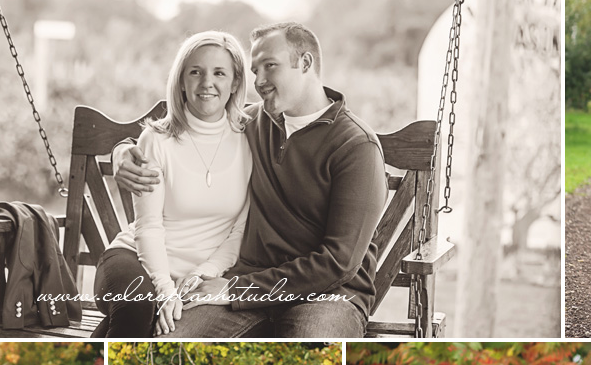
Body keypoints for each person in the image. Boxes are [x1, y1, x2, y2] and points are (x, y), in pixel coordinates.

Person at [113, 21, 388, 340]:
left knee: (310, 362)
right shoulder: (253, 123)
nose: (259, 81)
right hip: (244, 288)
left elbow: (339, 263)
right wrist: (122, 152)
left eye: (270, 66)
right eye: (255, 70)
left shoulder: (355, 146)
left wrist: (235, 289)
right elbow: (179, 129)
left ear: (306, 64)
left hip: (326, 296)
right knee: (169, 346)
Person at [114, 35, 253, 336]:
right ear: (180, 82)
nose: (207, 83)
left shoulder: (250, 139)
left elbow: (239, 231)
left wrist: (201, 275)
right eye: (195, 72)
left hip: (202, 274)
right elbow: (148, 226)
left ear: (235, 82)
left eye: (219, 73)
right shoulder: (157, 140)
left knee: (159, 330)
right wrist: (165, 290)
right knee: (138, 307)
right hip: (138, 260)